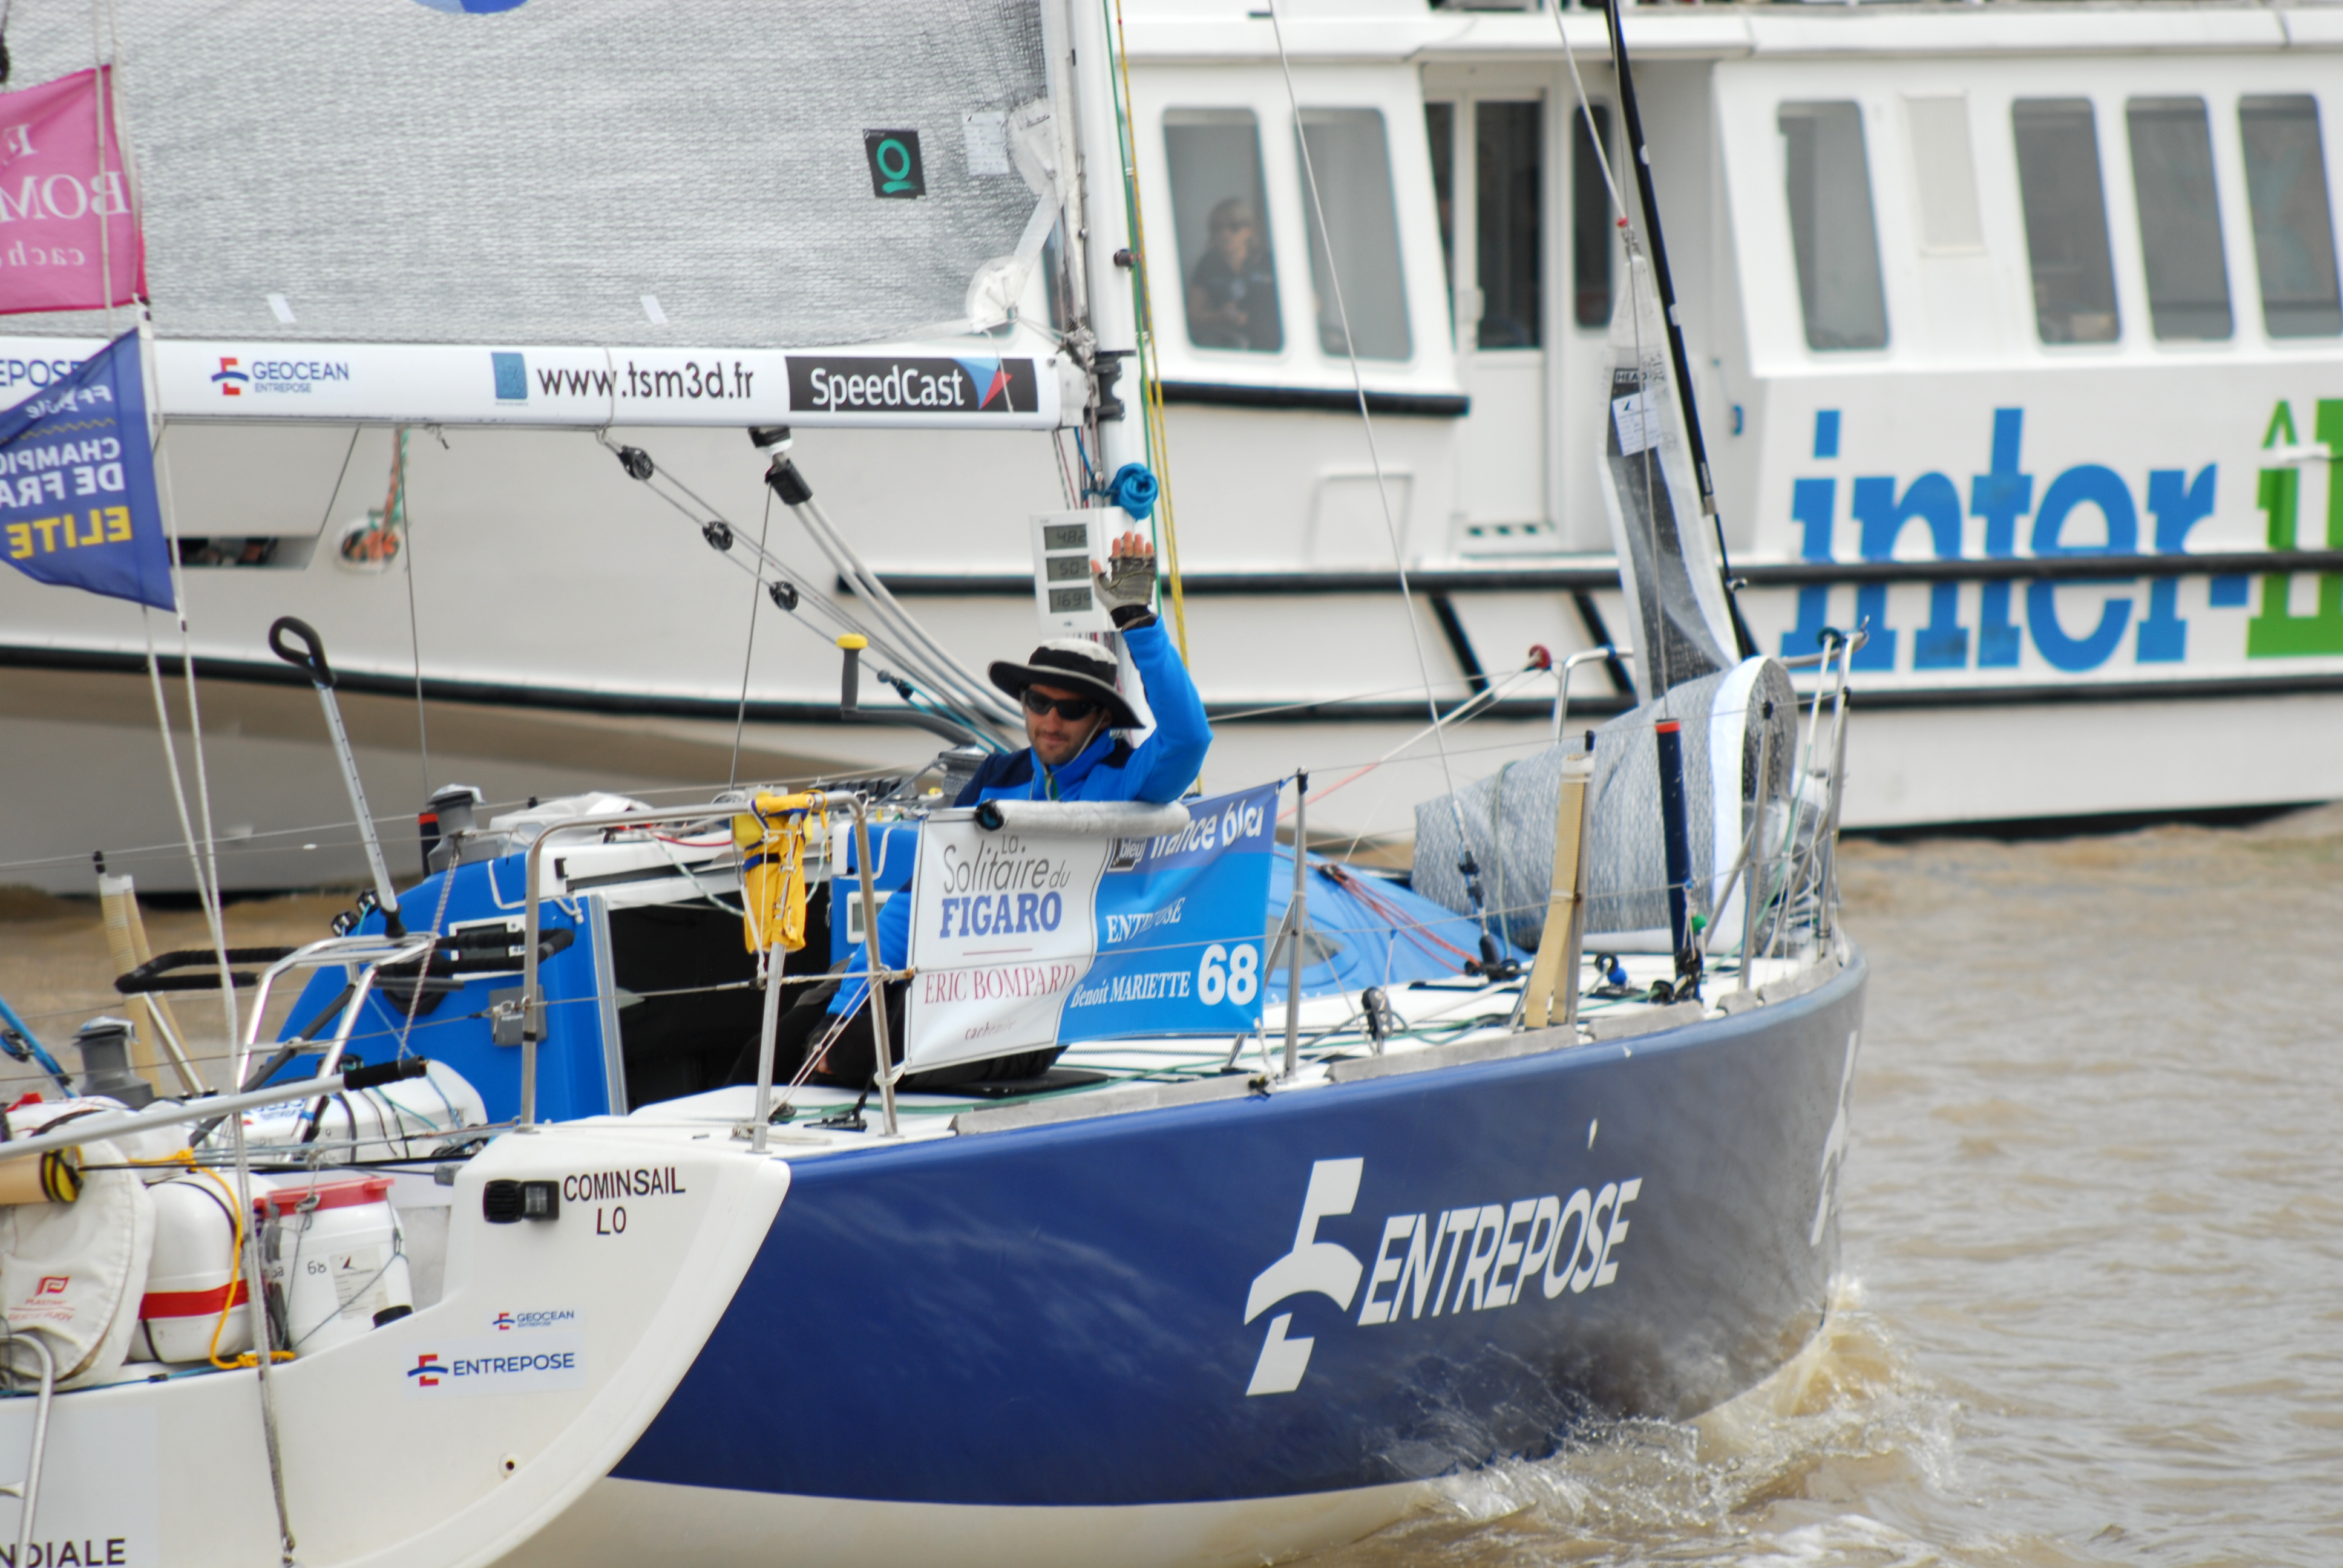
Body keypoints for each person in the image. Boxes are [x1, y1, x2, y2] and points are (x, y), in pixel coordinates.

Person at [775, 532, 1211, 1089]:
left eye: (1073, 708)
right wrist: (846, 1008)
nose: (1050, 721)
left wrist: (1137, 621)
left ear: (1104, 718)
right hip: (948, 969)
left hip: (1032, 1008)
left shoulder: (1129, 779)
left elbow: (1189, 739)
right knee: (787, 1041)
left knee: (857, 1057)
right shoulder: (996, 776)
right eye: (1038, 702)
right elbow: (920, 896)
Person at [1186, 198, 1280, 352]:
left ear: (1250, 230)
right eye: (1217, 227)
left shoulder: (1270, 262)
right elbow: (1194, 314)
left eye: (1234, 227)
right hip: (1226, 350)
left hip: (1272, 351)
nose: (1225, 233)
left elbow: (1309, 304)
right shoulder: (1207, 265)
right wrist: (1221, 316)